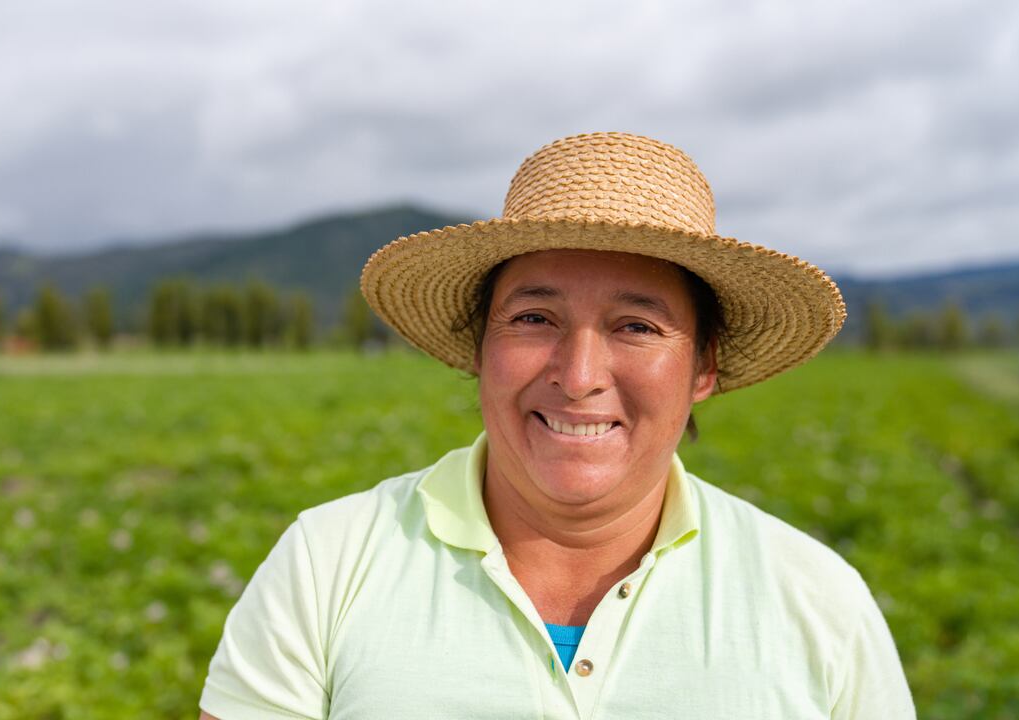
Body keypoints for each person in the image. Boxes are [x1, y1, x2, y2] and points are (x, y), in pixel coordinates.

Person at [198, 132, 915, 719]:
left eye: (636, 326)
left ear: (704, 367)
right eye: (534, 319)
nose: (578, 376)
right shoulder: (327, 564)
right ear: (479, 350)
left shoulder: (816, 598)